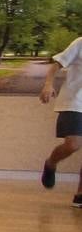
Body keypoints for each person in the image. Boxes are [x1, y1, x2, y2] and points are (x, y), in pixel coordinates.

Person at [40, 33, 82, 207]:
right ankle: (51, 163)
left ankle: (80, 194)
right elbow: (56, 65)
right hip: (75, 102)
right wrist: (48, 84)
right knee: (73, 144)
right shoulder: (80, 43)